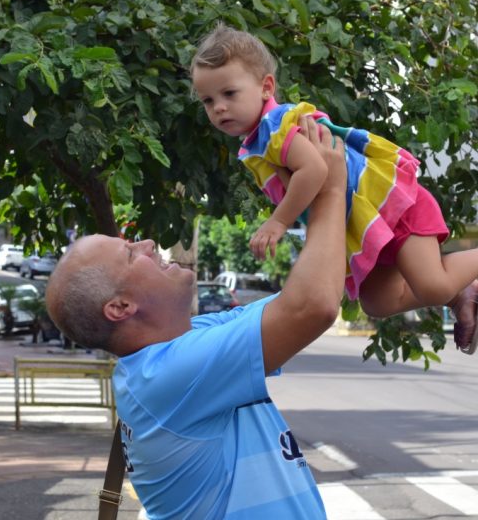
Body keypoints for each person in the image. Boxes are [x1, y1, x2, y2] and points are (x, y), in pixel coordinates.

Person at [46, 119, 347, 519]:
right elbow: (312, 307)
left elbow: (311, 293)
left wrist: (447, 281)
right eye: (131, 254)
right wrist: (329, 189)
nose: (148, 243)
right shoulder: (170, 375)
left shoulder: (183, 346)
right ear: (120, 308)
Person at [190, 23, 478, 356]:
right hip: (365, 225)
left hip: (392, 208)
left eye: (229, 93)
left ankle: (456, 288)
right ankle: (463, 293)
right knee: (378, 301)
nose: (219, 107)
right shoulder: (260, 140)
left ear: (266, 87)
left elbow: (315, 171)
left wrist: (278, 222)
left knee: (433, 286)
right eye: (208, 101)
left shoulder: (277, 127)